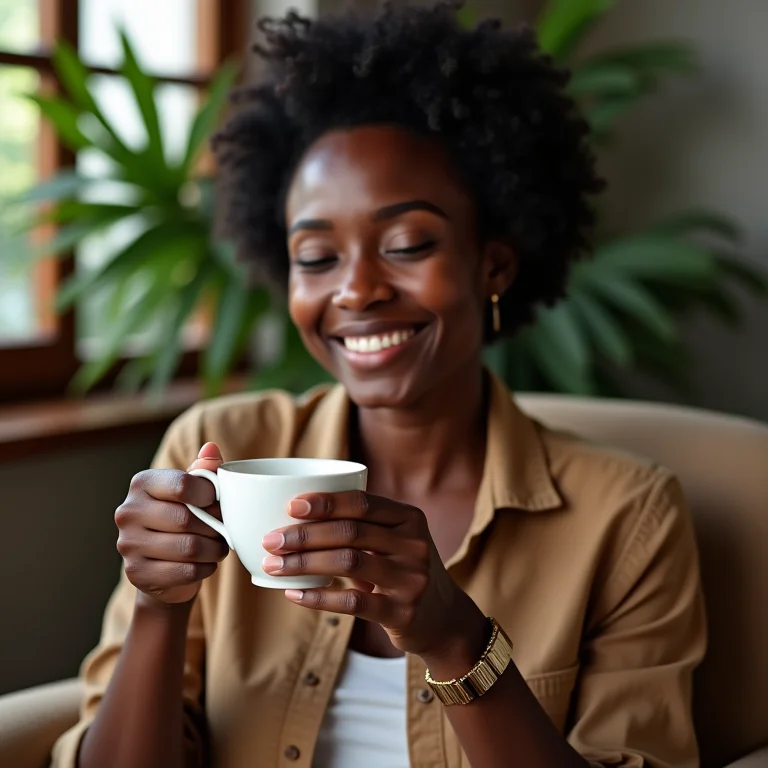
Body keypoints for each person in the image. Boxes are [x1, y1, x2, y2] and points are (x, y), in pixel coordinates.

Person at [52, 3, 706, 767]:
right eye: (317, 257)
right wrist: (159, 607)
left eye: (406, 244)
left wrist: (458, 641)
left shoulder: (627, 518)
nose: (356, 291)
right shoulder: (226, 454)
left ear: (492, 263)